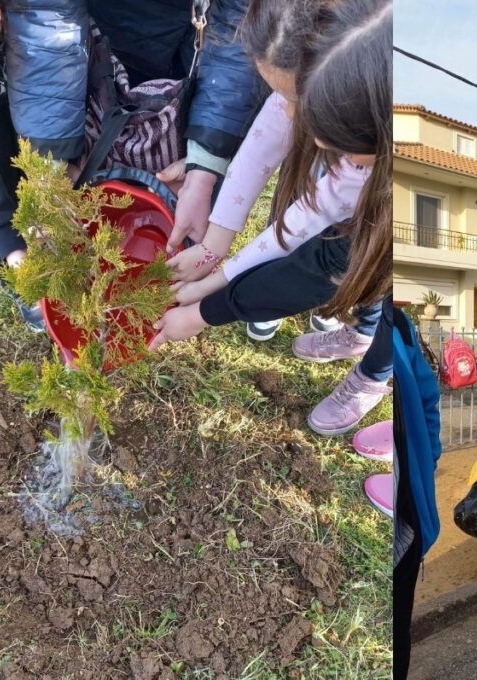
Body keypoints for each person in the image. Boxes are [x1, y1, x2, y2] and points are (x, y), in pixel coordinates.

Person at [0, 0, 259, 331]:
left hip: (100, 65)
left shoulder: (21, 29)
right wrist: (8, 240)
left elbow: (53, 47)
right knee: (23, 199)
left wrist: (207, 165)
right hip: (37, 103)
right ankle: (34, 294)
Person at [150, 0, 393, 437]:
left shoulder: (372, 177)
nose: (303, 127)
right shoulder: (338, 62)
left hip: (379, 245)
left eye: (301, 104)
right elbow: (294, 207)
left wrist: (206, 311)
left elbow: (316, 264)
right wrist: (215, 257)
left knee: (385, 295)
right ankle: (360, 329)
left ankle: (374, 369)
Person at [392, 305, 441, 680]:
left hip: (403, 520)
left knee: (396, 643)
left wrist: (429, 459)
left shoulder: (399, 324)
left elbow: (427, 399)